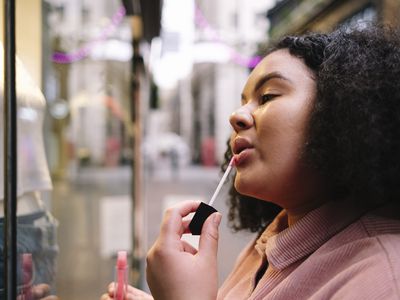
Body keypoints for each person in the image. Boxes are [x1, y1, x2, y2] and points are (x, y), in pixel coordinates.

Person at [101, 23, 400, 299]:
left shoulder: (383, 279)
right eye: (243, 101)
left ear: (342, 113)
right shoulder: (266, 245)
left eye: (268, 96)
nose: (237, 115)